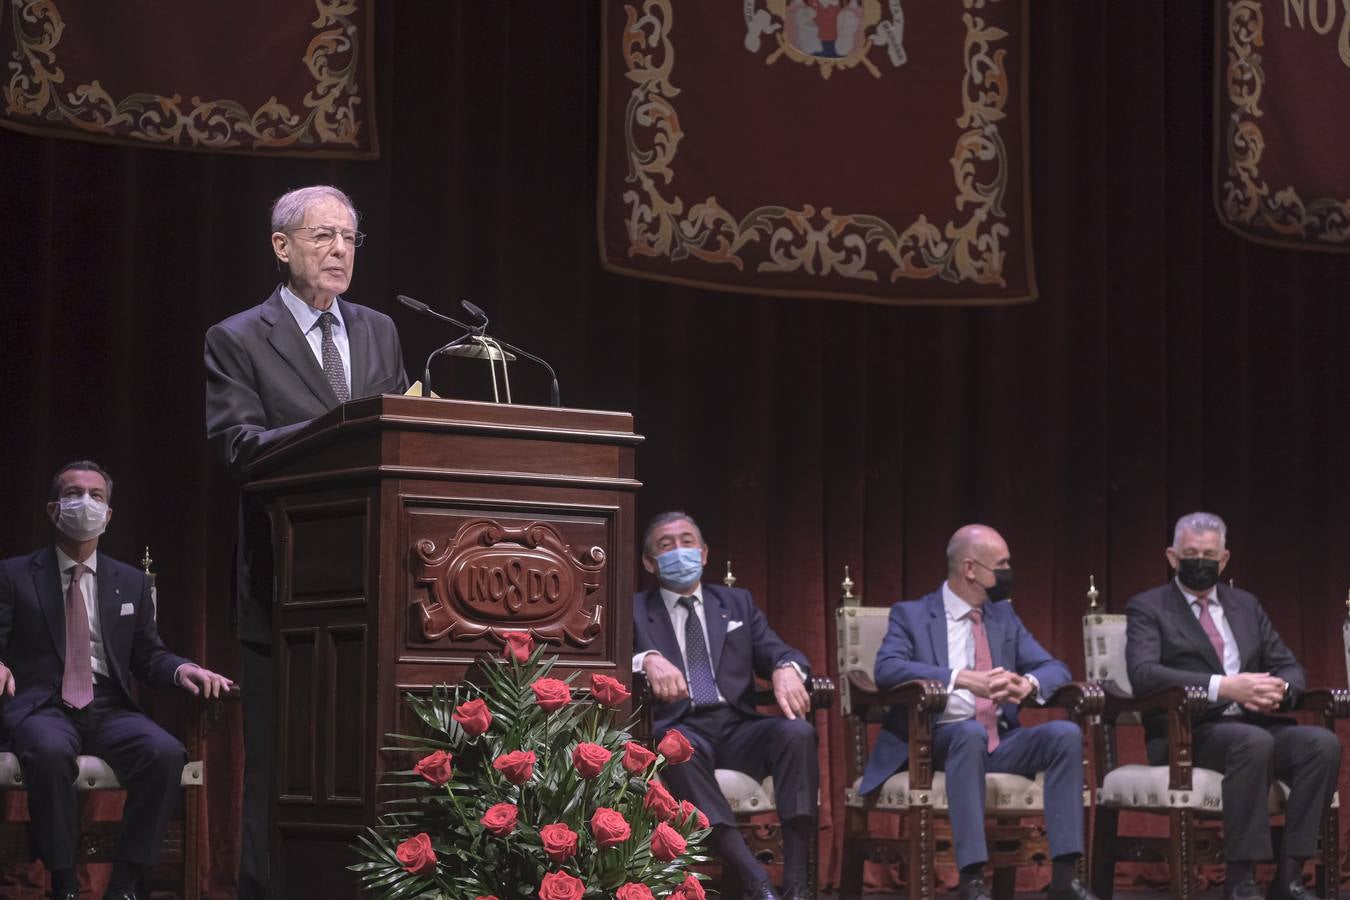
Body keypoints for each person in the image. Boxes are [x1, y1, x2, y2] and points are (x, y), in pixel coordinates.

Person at [203, 185, 408, 898]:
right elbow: (237, 445)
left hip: (374, 583)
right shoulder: (236, 337)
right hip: (286, 581)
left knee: (363, 758)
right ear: (281, 246)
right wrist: (343, 431)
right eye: (322, 235)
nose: (339, 250)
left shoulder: (380, 330)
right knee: (278, 762)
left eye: (350, 237)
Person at [0, 461, 232, 900]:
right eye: (73, 493)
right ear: (53, 509)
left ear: (108, 515)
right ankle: (65, 884)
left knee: (164, 754)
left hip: (108, 706)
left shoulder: (130, 581)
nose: (85, 502)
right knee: (48, 753)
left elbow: (148, 655)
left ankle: (124, 886)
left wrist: (185, 669)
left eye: (97, 495)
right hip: (43, 705)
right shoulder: (13, 575)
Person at [859, 524, 1096, 900]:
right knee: (968, 733)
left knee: (1063, 735)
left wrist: (1028, 684)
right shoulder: (913, 615)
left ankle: (1065, 877)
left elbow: (1056, 668)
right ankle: (971, 880)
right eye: (1001, 564)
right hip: (935, 741)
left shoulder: (1003, 617)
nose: (1008, 572)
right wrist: (960, 679)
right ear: (970, 569)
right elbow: (887, 669)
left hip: (1000, 742)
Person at [1126, 512, 1339, 900]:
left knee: (1321, 745)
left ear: (1224, 560)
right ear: (1172, 557)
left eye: (1209, 554)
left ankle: (1289, 877)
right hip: (1188, 733)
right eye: (1191, 553)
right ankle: (1241, 881)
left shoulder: (1245, 605)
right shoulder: (1149, 607)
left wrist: (1279, 688)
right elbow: (1144, 674)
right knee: (1252, 742)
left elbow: (1288, 664)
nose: (1200, 562)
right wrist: (1224, 688)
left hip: (1255, 726)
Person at [633, 512, 818, 900]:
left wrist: (786, 667)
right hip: (681, 725)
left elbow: (776, 650)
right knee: (674, 745)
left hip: (738, 726)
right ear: (650, 563)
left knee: (798, 732)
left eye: (688, 542)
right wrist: (645, 659)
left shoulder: (736, 603)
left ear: (703, 554)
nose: (679, 551)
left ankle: (799, 884)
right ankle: (756, 879)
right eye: (666, 546)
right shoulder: (634, 609)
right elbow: (614, 662)